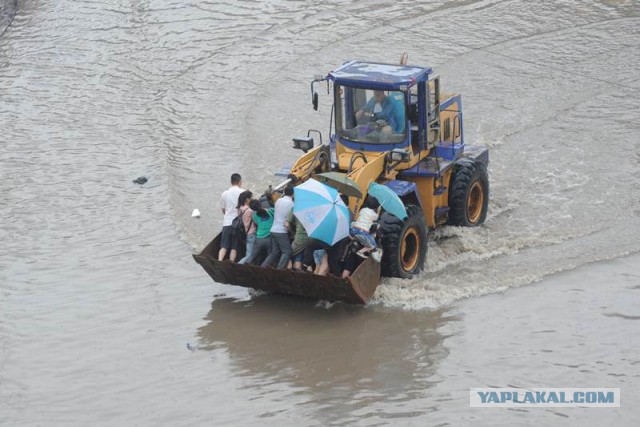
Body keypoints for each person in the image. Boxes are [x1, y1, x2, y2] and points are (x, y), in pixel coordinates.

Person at [261, 186, 294, 269]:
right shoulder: (292, 204)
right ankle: (279, 270)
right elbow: (291, 219)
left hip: (273, 230)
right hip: (281, 231)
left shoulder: (278, 200)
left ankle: (263, 267)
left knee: (275, 252)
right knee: (287, 251)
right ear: (293, 194)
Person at [218, 173, 244, 262]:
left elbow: (223, 210)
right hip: (237, 224)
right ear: (240, 181)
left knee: (224, 246)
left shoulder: (224, 193)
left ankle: (219, 261)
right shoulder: (242, 192)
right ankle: (231, 262)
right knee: (234, 247)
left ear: (231, 182)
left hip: (226, 223)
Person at [244, 201, 275, 265]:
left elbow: (257, 223)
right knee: (270, 256)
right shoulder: (270, 211)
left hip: (258, 239)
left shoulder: (254, 216)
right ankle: (264, 268)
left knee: (252, 257)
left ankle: (245, 267)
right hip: (269, 238)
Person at [236, 191, 256, 264]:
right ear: (247, 199)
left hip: (245, 232)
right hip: (252, 233)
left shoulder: (240, 209)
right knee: (249, 255)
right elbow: (256, 220)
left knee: (250, 253)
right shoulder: (250, 211)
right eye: (251, 197)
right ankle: (238, 265)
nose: (253, 199)